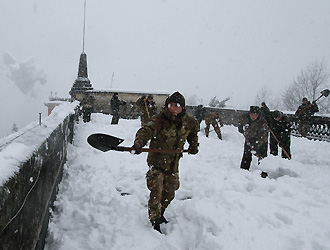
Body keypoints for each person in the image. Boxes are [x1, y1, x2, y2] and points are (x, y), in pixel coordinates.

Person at [131, 91, 199, 233]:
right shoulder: (159, 119)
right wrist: (139, 143)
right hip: (157, 161)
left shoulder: (189, 121)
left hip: (173, 163)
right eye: (170, 105)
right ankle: (154, 219)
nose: (173, 108)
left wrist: (193, 145)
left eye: (177, 105)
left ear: (183, 107)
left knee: (171, 191)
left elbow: (192, 133)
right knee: (156, 189)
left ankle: (161, 212)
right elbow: (146, 130)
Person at [238, 106, 269, 171]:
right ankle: (244, 169)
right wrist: (240, 125)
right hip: (249, 137)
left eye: (256, 115)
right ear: (249, 114)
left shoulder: (262, 122)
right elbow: (240, 119)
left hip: (261, 140)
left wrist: (257, 145)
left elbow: (263, 136)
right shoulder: (245, 117)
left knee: (262, 156)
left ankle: (263, 171)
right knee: (247, 154)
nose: (253, 117)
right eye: (252, 115)